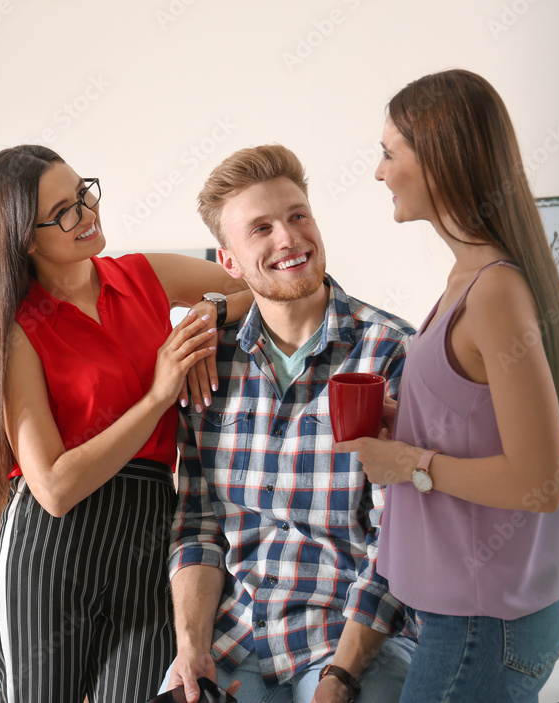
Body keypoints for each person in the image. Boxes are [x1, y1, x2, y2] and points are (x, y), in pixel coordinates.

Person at [0, 144, 253, 702]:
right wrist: (158, 394)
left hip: (149, 535)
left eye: (83, 193)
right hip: (50, 553)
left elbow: (264, 287)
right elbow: (51, 487)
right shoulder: (15, 328)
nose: (87, 213)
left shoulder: (143, 275)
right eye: (65, 210)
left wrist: (209, 314)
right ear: (25, 237)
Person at [333, 69, 559, 703]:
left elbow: (540, 480)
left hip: (484, 626)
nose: (379, 172)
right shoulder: (465, 277)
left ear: (438, 162)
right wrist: (404, 422)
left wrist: (409, 463)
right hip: (466, 618)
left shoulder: (493, 288)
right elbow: (481, 419)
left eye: (390, 153)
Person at [163, 144, 419, 703]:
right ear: (228, 262)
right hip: (233, 636)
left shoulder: (391, 352)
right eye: (260, 229)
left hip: (348, 637)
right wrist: (189, 649)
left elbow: (397, 540)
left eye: (297, 215)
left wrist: (341, 678)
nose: (289, 238)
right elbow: (198, 526)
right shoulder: (209, 361)